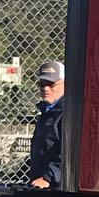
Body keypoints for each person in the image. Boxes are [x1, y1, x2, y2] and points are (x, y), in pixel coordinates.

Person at [28, 60, 65, 190]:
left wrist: (48, 178)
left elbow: (68, 152)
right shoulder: (47, 112)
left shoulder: (69, 114)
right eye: (42, 84)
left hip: (58, 188)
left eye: (51, 84)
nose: (45, 88)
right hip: (41, 184)